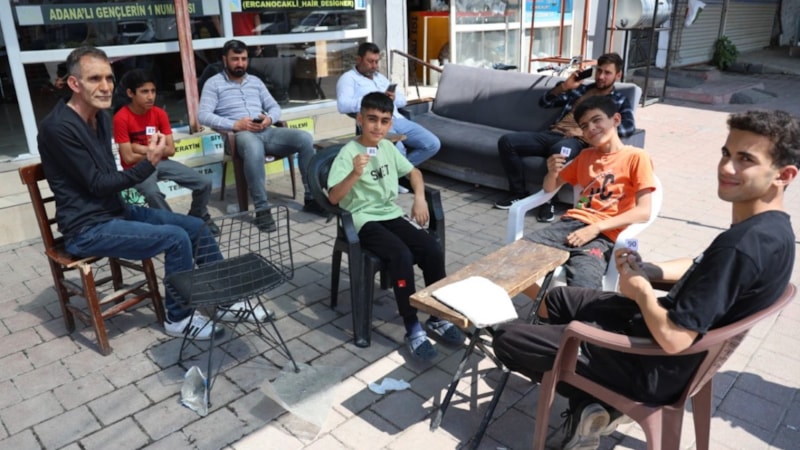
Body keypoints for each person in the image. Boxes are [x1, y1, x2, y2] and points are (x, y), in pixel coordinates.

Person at [492, 109, 799, 450]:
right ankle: (589, 401)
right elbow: (702, 265)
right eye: (727, 153)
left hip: (652, 365)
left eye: (746, 160)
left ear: (784, 175)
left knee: (508, 338)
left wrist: (641, 292)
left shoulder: (742, 247)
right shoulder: (771, 229)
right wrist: (651, 271)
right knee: (561, 299)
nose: (727, 168)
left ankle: (598, 398)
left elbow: (675, 339)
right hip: (662, 337)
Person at [36, 47, 268, 342]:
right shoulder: (57, 128)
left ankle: (225, 300)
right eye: (95, 78)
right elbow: (98, 184)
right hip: (86, 228)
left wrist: (147, 162)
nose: (106, 86)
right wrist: (150, 162)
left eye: (109, 78)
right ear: (74, 83)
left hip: (116, 212)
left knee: (196, 227)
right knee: (176, 237)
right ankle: (178, 318)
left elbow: (107, 175)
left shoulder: (101, 117)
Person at [327, 92, 463, 361]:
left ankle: (437, 315)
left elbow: (414, 172)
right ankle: (412, 327)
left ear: (390, 123)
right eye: (372, 119)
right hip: (363, 219)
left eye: (384, 121)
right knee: (401, 255)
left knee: (431, 249)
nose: (378, 126)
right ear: (360, 119)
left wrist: (419, 198)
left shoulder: (387, 147)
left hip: (390, 214)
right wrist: (355, 173)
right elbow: (333, 198)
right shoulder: (348, 153)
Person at [523, 95, 654, 300]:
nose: (591, 128)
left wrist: (595, 228)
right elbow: (550, 188)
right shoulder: (585, 156)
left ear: (616, 119)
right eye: (584, 126)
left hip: (603, 236)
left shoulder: (636, 157)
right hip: (567, 227)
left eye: (597, 120)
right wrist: (552, 172)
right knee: (511, 258)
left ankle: (572, 319)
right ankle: (546, 309)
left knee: (585, 290)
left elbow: (644, 211)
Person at [199, 39, 326, 232]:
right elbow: (203, 115)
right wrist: (235, 124)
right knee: (253, 146)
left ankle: (312, 197)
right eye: (235, 59)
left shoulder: (255, 82)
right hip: (239, 136)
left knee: (304, 138)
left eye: (243, 59)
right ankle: (262, 209)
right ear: (225, 60)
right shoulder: (213, 83)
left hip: (266, 131)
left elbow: (274, 106)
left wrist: (269, 119)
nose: (240, 63)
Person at [495, 53, 636, 224]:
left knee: (559, 152)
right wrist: (564, 86)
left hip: (576, 140)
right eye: (599, 71)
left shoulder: (618, 101)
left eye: (607, 73)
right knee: (507, 142)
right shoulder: (581, 90)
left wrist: (593, 133)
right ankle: (518, 193)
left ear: (618, 75)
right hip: (553, 133)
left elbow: (628, 127)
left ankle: (548, 202)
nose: (601, 76)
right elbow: (545, 102)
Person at [113, 69, 219, 235]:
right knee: (152, 193)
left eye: (153, 91)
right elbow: (128, 158)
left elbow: (171, 150)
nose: (150, 96)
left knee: (204, 182)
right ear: (130, 93)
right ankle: (175, 227)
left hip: (161, 162)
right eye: (144, 92)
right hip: (136, 169)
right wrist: (155, 150)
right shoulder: (121, 118)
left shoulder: (159, 113)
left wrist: (140, 148)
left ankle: (199, 215)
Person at [336, 42, 441, 168]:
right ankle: (399, 174)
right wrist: (373, 100)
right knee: (399, 151)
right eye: (370, 61)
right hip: (377, 123)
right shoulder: (348, 78)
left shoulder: (380, 78)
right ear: (359, 59)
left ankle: (401, 172)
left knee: (432, 144)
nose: (374, 66)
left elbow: (402, 101)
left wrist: (393, 98)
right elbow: (342, 105)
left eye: (376, 62)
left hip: (398, 119)